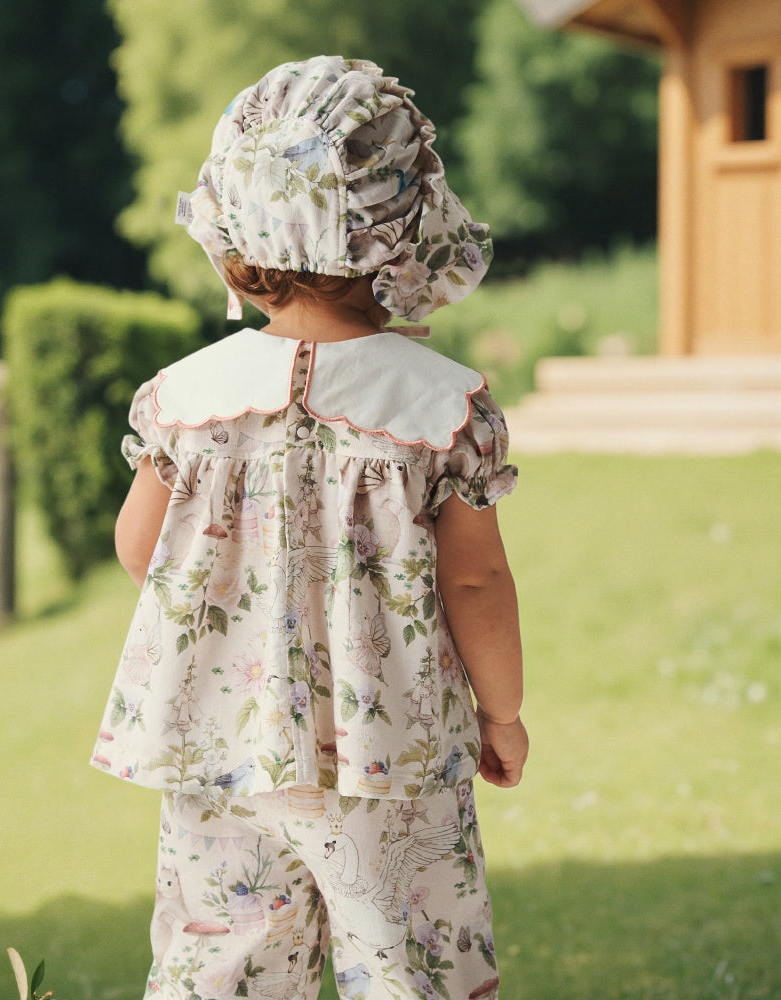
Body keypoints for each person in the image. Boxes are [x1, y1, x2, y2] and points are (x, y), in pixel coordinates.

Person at [91, 55, 528, 1000]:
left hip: (220, 743)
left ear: (236, 224)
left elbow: (142, 550)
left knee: (222, 965)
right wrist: (501, 715)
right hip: (393, 749)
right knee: (411, 966)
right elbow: (476, 586)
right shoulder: (440, 406)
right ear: (404, 225)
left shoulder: (185, 398)